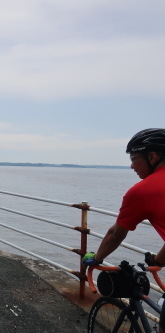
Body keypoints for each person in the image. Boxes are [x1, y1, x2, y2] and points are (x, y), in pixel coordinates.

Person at [82, 128, 165, 332]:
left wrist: (97, 258)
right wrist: (158, 261)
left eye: (134, 158)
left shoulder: (142, 191)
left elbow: (116, 233)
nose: (131, 166)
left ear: (152, 156)